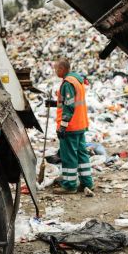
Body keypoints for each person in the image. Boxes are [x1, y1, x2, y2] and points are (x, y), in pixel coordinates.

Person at [52, 58, 93, 195]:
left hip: (71, 126)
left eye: (56, 69)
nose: (55, 71)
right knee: (82, 154)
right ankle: (87, 183)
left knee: (69, 155)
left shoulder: (67, 83)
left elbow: (69, 106)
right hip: (80, 124)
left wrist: (63, 126)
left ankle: (70, 185)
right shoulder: (77, 80)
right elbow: (71, 102)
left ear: (62, 69)